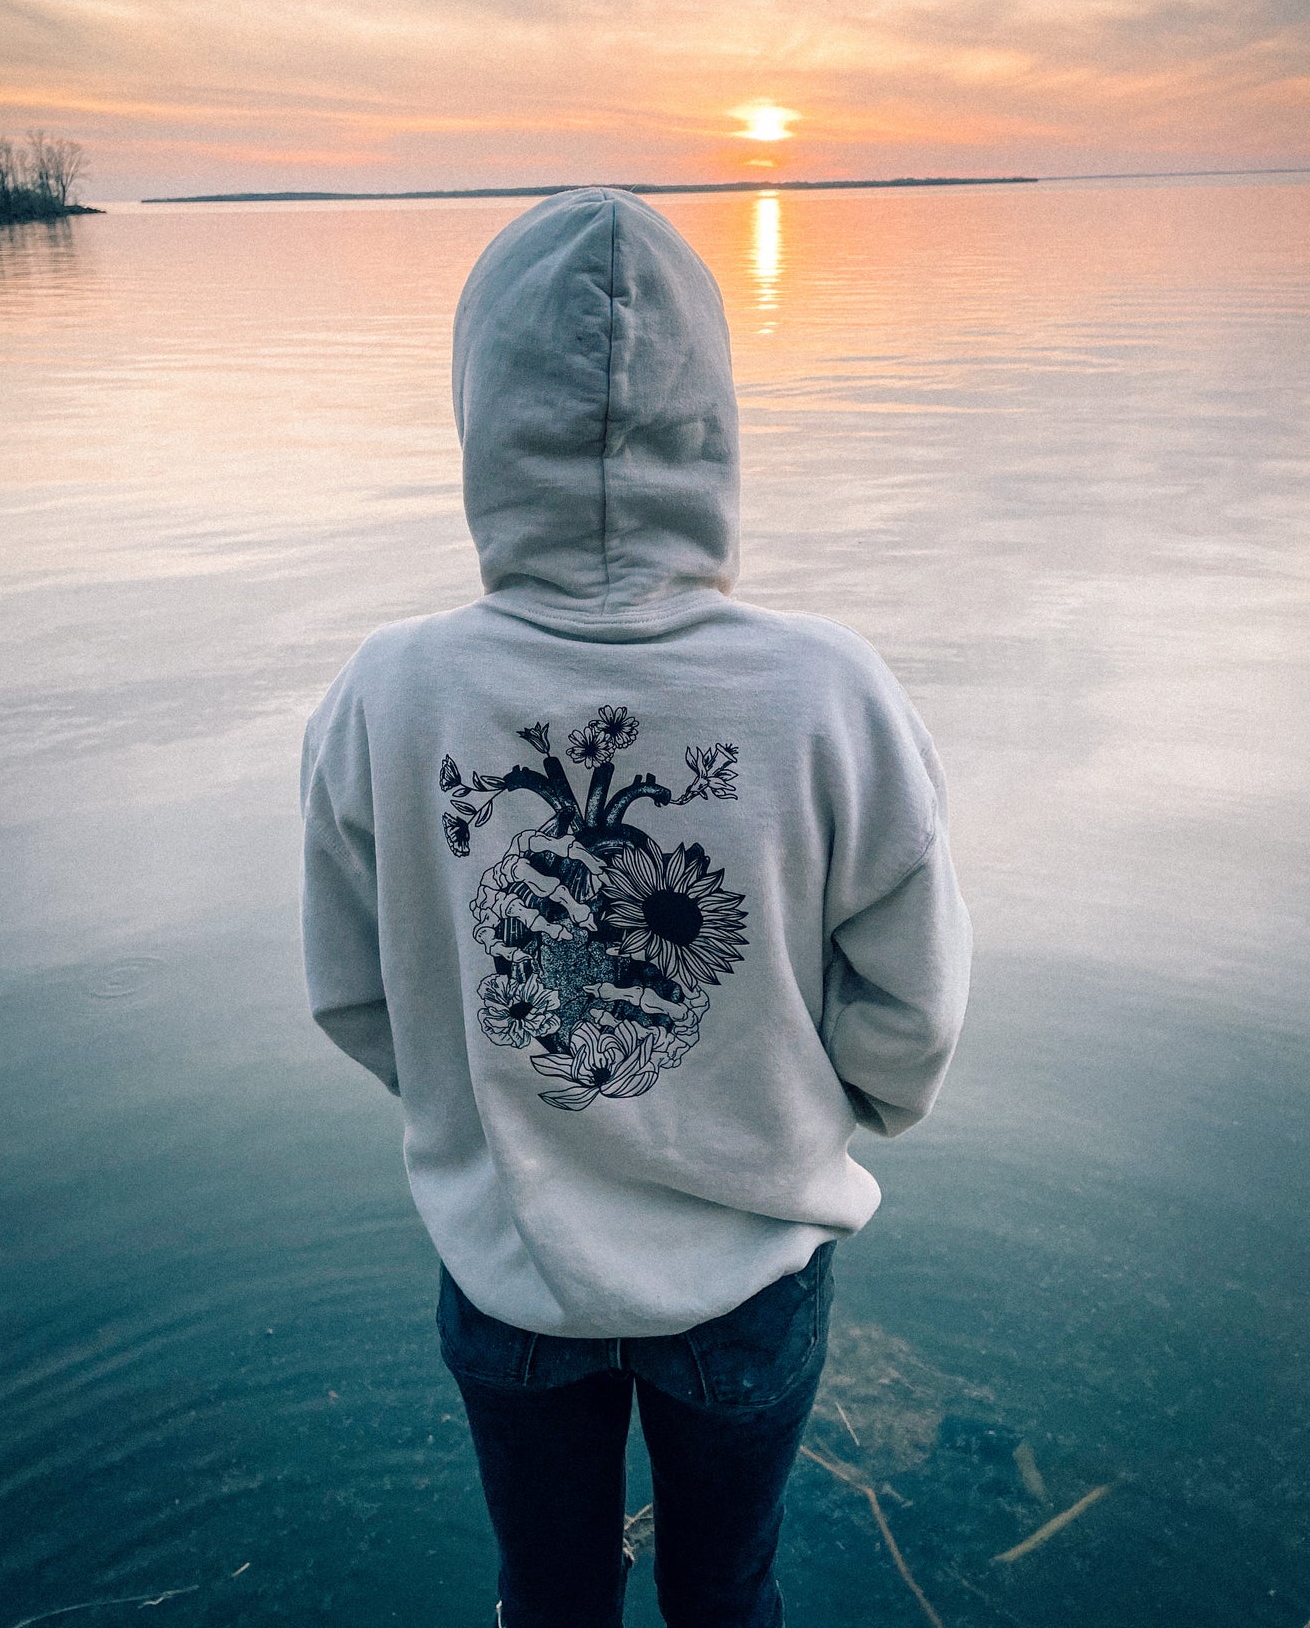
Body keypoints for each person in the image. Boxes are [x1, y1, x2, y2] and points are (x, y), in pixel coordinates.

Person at [300, 186, 972, 1628]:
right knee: (725, 1596)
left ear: (478, 418)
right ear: (713, 421)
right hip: (748, 1275)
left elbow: (357, 996)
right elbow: (911, 1007)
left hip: (510, 1280)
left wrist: (491, 1107)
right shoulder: (825, 690)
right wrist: (805, 1110)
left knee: (546, 1597)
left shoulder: (388, 691)